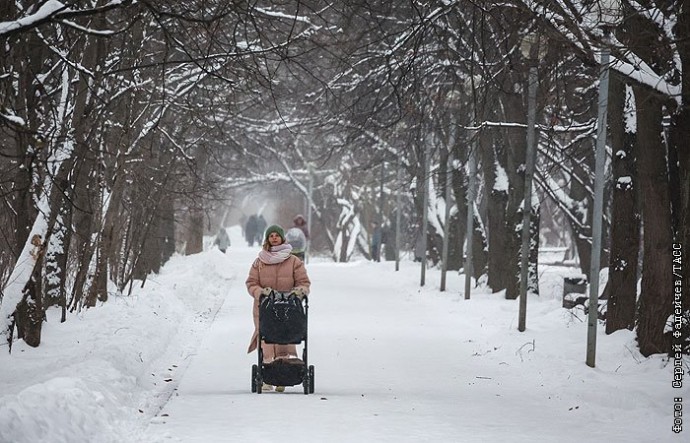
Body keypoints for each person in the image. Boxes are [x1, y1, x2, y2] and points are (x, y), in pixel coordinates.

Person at [245, 225, 311, 392]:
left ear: (282, 238)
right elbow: (251, 283)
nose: (274, 238)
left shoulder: (294, 261)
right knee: (266, 339)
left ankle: (284, 374)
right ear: (267, 239)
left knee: (285, 338)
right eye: (271, 236)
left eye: (277, 235)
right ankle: (267, 377)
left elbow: (304, 283)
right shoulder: (259, 262)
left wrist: (299, 292)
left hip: (288, 308)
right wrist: (260, 292)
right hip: (265, 307)